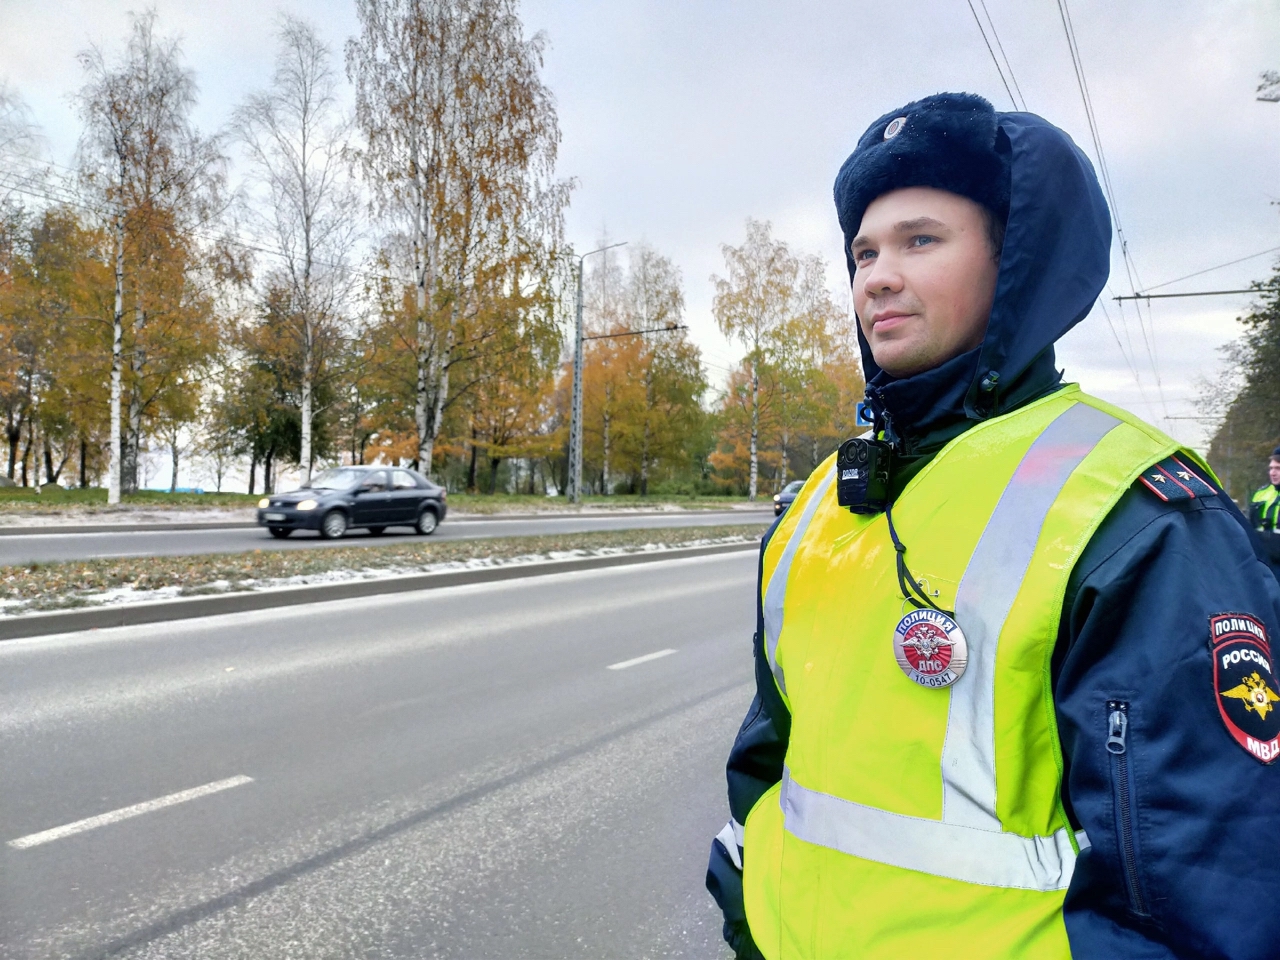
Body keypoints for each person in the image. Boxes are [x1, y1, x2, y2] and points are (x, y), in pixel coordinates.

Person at [705, 93, 1280, 959]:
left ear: (1016, 263)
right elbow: (770, 761)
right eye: (864, 251)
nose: (877, 277)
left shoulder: (1133, 509)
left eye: (920, 241)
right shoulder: (821, 502)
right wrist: (746, 907)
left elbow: (1202, 891)